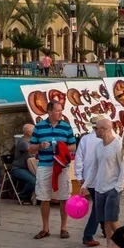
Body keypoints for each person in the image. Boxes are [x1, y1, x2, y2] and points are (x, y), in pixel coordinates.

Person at [30, 100, 77, 239]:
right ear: (49, 112)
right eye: (57, 110)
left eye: (61, 110)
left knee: (64, 196)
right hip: (45, 165)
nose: (60, 113)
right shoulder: (38, 127)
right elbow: (31, 148)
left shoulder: (66, 127)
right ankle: (45, 228)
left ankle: (64, 228)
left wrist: (61, 148)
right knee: (44, 197)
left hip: (62, 166)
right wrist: (40, 146)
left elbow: (73, 146)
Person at [82, 118, 124, 248]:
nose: (94, 131)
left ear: (104, 129)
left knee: (113, 220)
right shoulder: (98, 146)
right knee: (105, 221)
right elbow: (94, 168)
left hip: (112, 188)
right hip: (99, 188)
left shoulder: (118, 146)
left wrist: (118, 188)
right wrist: (85, 185)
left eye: (96, 128)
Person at [74, 117, 104, 248]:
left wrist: (79, 176)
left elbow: (78, 158)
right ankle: (88, 234)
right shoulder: (105, 139)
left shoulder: (85, 139)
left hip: (88, 178)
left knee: (99, 205)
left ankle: (104, 228)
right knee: (98, 207)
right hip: (100, 179)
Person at [10, 123, 37, 204]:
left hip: (29, 167)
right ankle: (23, 197)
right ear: (29, 133)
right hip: (19, 169)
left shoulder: (31, 140)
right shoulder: (23, 142)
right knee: (34, 180)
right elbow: (32, 150)